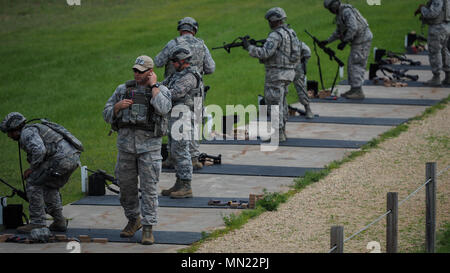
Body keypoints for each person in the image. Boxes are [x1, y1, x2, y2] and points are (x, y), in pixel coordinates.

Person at [103, 55, 172, 245]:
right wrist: (117, 107)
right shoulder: (123, 89)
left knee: (149, 189)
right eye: (135, 70)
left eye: (141, 71)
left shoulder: (161, 90)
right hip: (125, 147)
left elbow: (164, 108)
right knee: (125, 188)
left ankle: (148, 228)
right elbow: (106, 113)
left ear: (150, 72)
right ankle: (134, 219)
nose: (136, 74)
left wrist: (154, 87)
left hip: (149, 148)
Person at [0, 112, 82, 234]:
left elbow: (39, 150)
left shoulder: (27, 133)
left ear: (15, 129)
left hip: (60, 160)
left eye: (9, 132)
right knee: (50, 187)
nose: (9, 136)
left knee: (33, 183)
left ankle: (37, 223)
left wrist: (32, 169)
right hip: (72, 160)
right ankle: (59, 221)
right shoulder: (34, 129)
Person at [155, 17, 216, 170]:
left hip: (174, 90)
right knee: (194, 123)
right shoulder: (202, 45)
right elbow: (210, 68)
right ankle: (194, 158)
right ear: (194, 30)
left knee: (173, 124)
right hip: (197, 91)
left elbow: (158, 61)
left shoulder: (173, 44)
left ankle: (171, 158)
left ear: (180, 29)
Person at [244, 7, 300, 142]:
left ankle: (278, 133)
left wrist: (249, 48)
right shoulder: (291, 33)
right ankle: (282, 131)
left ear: (274, 20)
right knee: (282, 102)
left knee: (274, 104)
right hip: (289, 73)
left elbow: (265, 53)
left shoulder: (275, 35)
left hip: (276, 74)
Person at [160, 46, 201, 199]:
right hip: (175, 116)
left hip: (183, 117)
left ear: (182, 61)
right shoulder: (177, 74)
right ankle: (179, 182)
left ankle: (186, 185)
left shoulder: (190, 76)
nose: (172, 64)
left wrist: (158, 93)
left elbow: (176, 92)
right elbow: (163, 85)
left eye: (174, 61)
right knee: (175, 150)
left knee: (182, 150)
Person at [320, 0, 373, 99]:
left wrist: (345, 41)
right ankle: (354, 89)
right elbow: (339, 31)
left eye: (330, 9)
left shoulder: (346, 12)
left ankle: (357, 91)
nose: (330, 11)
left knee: (355, 64)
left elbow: (353, 28)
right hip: (359, 40)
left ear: (334, 6)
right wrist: (327, 41)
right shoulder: (341, 13)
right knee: (352, 63)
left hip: (362, 40)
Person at [415, 0, 450, 85]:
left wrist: (422, 9)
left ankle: (436, 77)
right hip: (445, 27)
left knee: (435, 52)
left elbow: (433, 13)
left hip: (437, 28)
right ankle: (448, 76)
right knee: (444, 51)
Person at [292, 41, 314, 119]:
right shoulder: (293, 37)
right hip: (296, 67)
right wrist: (302, 61)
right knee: (301, 88)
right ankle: (308, 110)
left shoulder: (277, 38)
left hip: (284, 69)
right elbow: (307, 51)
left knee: (280, 90)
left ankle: (308, 109)